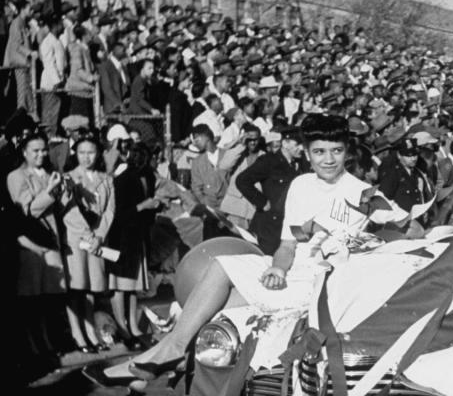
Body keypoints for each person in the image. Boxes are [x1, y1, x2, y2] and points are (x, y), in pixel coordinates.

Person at [108, 115, 397, 380]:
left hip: (324, 282)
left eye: (336, 150)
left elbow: (410, 228)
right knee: (222, 270)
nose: (328, 159)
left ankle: (162, 358)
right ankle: (167, 355)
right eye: (319, 152)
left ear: (347, 151)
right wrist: (277, 268)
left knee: (219, 304)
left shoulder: (363, 193)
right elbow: (287, 245)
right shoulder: (301, 185)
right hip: (292, 272)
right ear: (308, 153)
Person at [6, 131, 70, 358]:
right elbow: (28, 210)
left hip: (51, 238)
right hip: (31, 241)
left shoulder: (49, 173)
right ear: (24, 152)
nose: (41, 154)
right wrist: (51, 192)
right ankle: (34, 344)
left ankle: (48, 340)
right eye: (36, 150)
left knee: (51, 295)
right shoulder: (16, 176)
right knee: (32, 296)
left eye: (44, 150)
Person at [106, 142, 162, 349]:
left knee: (133, 285)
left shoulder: (148, 177)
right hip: (121, 237)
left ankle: (133, 326)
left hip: (138, 236)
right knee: (120, 285)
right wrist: (143, 206)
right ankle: (122, 326)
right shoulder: (124, 180)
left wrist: (153, 207)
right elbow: (119, 213)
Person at [62, 136, 115, 352]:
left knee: (93, 288)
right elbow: (69, 211)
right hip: (76, 239)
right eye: (82, 152)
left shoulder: (106, 179)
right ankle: (78, 334)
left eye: (91, 152)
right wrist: (87, 235)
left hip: (96, 240)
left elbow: (110, 210)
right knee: (77, 287)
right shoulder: (69, 178)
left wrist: (99, 236)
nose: (86, 157)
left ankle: (91, 330)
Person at [236, 125, 306, 255]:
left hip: (290, 226)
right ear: (285, 143)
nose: (302, 148)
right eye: (298, 144)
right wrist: (262, 202)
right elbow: (242, 180)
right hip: (269, 228)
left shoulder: (300, 164)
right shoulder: (269, 161)